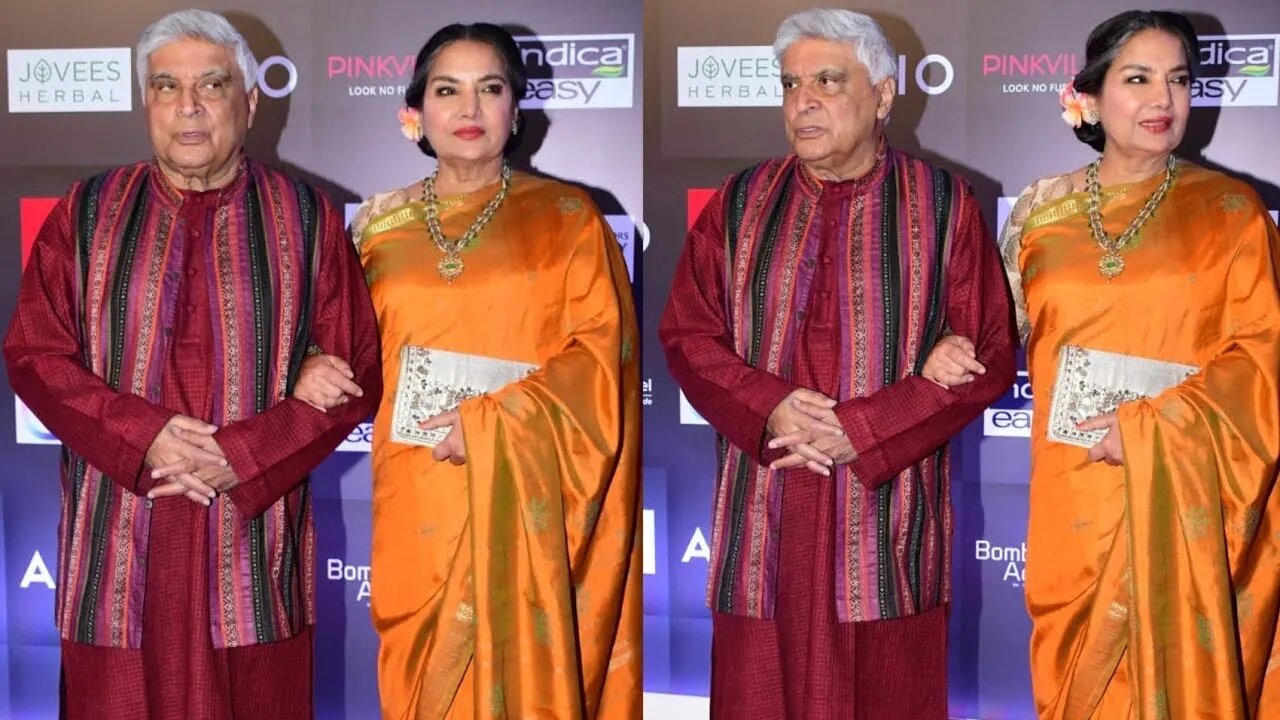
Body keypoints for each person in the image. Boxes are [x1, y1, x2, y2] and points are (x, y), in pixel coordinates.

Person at [1, 8, 382, 719]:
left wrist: (243, 452)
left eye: (212, 84)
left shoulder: (306, 216)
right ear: (146, 101)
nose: (189, 107)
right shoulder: (86, 213)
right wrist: (144, 434)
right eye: (166, 87)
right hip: (116, 549)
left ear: (250, 99)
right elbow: (33, 353)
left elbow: (353, 364)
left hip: (250, 550)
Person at [657, 8, 1016, 719]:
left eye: (828, 80)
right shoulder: (739, 202)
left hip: (887, 525)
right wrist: (772, 407)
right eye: (791, 85)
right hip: (766, 517)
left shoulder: (943, 206)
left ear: (883, 95)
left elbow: (991, 352)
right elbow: (687, 337)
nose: (804, 102)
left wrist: (871, 425)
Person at [925, 10, 1280, 719]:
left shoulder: (1233, 213)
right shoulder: (1039, 212)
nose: (1163, 101)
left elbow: (1264, 360)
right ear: (1090, 96)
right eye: (1138, 78)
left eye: (1179, 80)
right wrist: (947, 343)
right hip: (1074, 494)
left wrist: (1155, 431)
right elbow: (997, 333)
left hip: (1190, 494)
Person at [294, 22, 641, 720]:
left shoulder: (570, 218)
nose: (470, 109)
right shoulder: (374, 228)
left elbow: (603, 360)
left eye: (491, 89)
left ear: (517, 109)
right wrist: (310, 362)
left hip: (530, 496)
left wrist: (490, 427)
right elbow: (338, 340)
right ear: (415, 114)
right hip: (418, 496)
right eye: (447, 90)